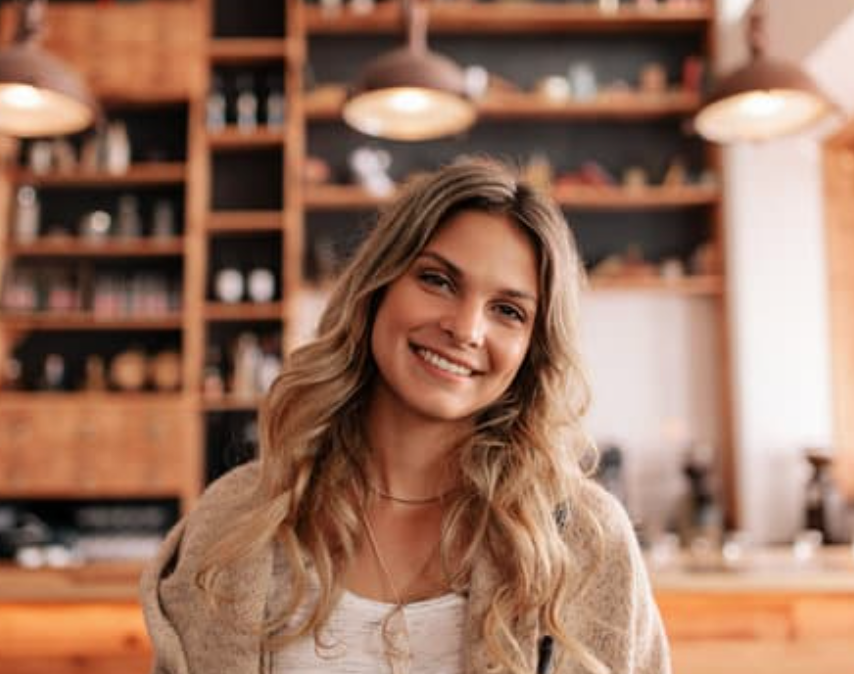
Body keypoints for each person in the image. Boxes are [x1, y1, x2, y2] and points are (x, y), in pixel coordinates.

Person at [141, 158, 670, 674]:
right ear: (378, 288)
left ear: (533, 348)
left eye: (508, 311)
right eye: (438, 280)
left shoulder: (585, 540)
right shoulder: (234, 520)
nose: (465, 329)